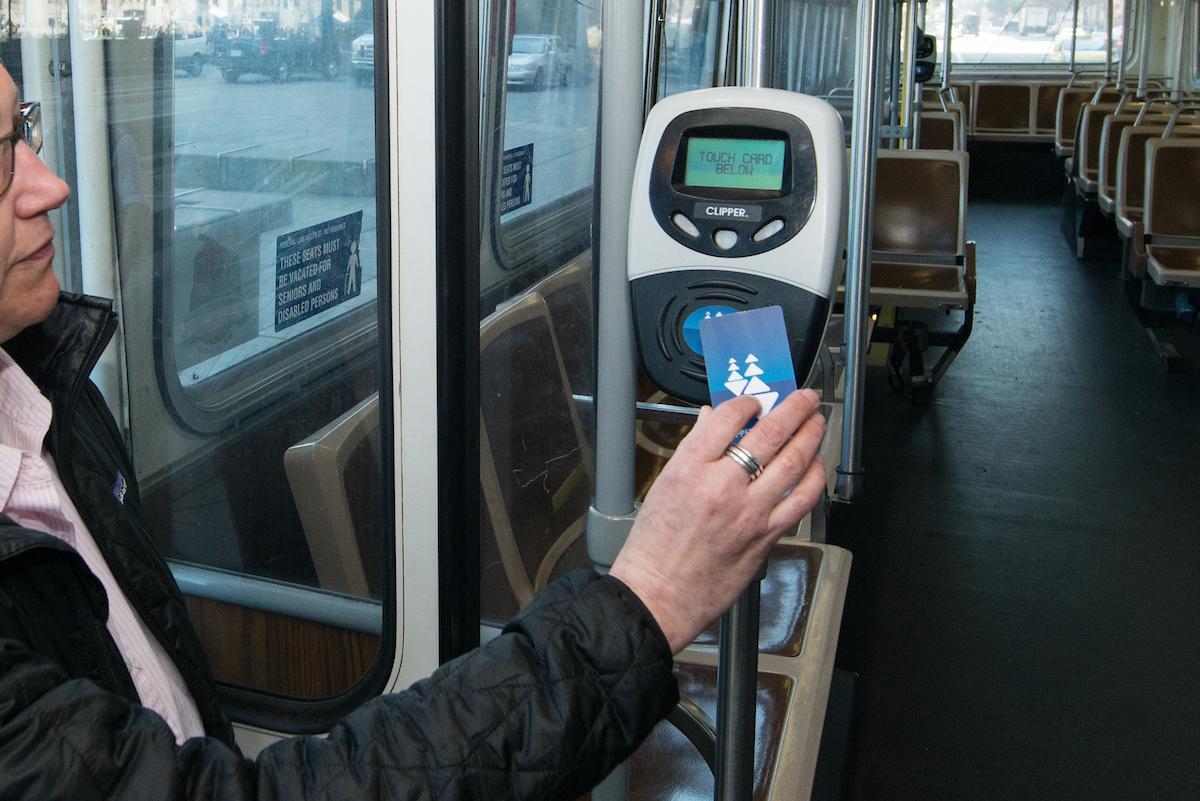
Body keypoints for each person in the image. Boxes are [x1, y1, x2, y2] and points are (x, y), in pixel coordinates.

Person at [0, 63, 828, 800]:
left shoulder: (50, 400)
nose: (48, 187)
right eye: (0, 162)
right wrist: (650, 597)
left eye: (23, 131)